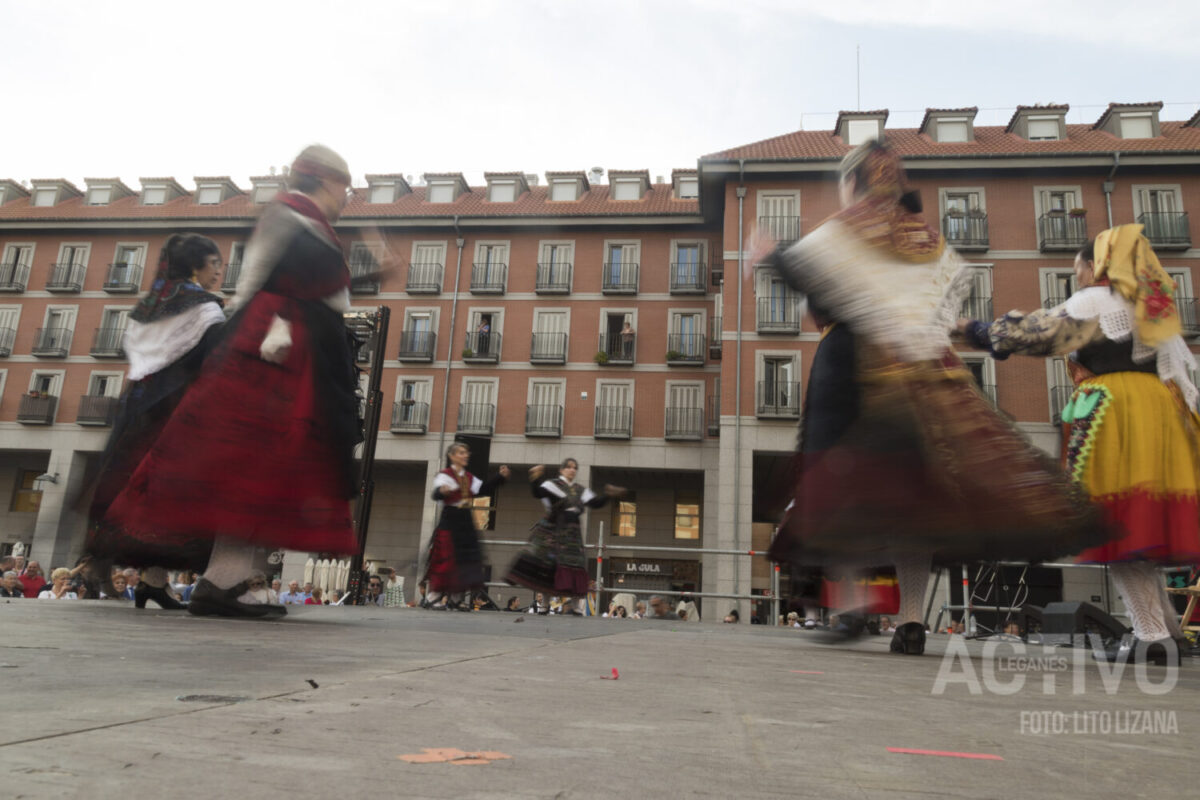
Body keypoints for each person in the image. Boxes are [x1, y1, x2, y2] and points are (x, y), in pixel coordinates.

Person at [759, 139, 1108, 656]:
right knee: (913, 501)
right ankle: (912, 620)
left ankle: (854, 603)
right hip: (924, 375)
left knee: (836, 486)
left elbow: (803, 268)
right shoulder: (928, 241)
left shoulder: (854, 225)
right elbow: (947, 308)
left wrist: (767, 253)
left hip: (851, 368)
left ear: (855, 181)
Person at [105, 145, 363, 619]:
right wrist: (253, 337)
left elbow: (331, 297)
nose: (347, 195)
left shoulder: (315, 226)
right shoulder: (287, 213)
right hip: (271, 348)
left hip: (297, 348)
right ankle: (221, 581)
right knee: (251, 462)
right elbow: (257, 279)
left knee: (266, 467)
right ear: (327, 180)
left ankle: (227, 578)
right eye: (345, 184)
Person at [959, 224, 1200, 666]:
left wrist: (975, 329)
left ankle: (1150, 636)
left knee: (1114, 522)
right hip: (1158, 412)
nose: (1079, 279)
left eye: (1079, 269)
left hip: (1116, 410)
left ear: (1097, 265)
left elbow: (1042, 333)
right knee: (1139, 525)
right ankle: (1167, 629)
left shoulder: (1099, 300)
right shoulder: (1150, 309)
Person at [83, 233, 226, 611]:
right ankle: (128, 571)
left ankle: (150, 581)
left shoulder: (151, 303)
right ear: (197, 266)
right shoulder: (203, 307)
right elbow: (215, 359)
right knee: (170, 499)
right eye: (215, 263)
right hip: (176, 412)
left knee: (128, 488)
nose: (218, 271)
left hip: (138, 406)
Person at [506, 459, 624, 603]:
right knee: (549, 567)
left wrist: (608, 494)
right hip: (554, 528)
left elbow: (596, 503)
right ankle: (544, 605)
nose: (572, 470)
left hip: (573, 532)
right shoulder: (552, 485)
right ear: (561, 470)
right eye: (568, 467)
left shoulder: (580, 489)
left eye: (575, 468)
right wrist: (535, 477)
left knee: (575, 566)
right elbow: (537, 493)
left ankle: (574, 607)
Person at [425, 442, 510, 610]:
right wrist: (442, 491)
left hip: (465, 519)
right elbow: (435, 494)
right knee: (446, 559)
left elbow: (483, 489)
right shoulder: (445, 475)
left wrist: (500, 478)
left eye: (466, 452)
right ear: (452, 456)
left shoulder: (469, 477)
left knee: (465, 560)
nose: (466, 455)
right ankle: (432, 596)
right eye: (461, 452)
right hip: (450, 519)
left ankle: (455, 598)